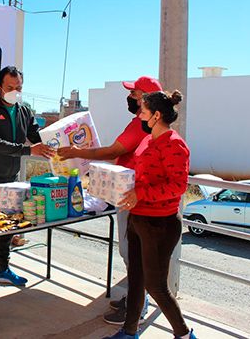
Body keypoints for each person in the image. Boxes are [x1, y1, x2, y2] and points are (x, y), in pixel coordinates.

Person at [58, 75, 162, 325]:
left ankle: (137, 307)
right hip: (129, 195)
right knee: (131, 252)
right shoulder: (141, 123)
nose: (130, 97)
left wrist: (76, 152)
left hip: (134, 198)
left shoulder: (142, 125)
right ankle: (134, 298)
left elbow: (114, 151)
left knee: (132, 253)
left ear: (146, 99)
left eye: (134, 94)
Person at [104, 90, 196, 339]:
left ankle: (185, 335)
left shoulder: (175, 145)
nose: (139, 113)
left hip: (160, 224)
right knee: (135, 278)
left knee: (156, 286)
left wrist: (140, 194)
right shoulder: (147, 140)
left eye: (143, 110)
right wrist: (115, 184)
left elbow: (178, 186)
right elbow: (140, 175)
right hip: (138, 218)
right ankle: (129, 330)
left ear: (156, 115)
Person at [0, 66, 55, 297]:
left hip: (11, 178)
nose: (15, 92)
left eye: (19, 88)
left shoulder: (24, 110)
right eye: (10, 88)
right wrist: (30, 150)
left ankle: (3, 269)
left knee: (8, 226)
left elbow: (36, 135)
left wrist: (56, 140)